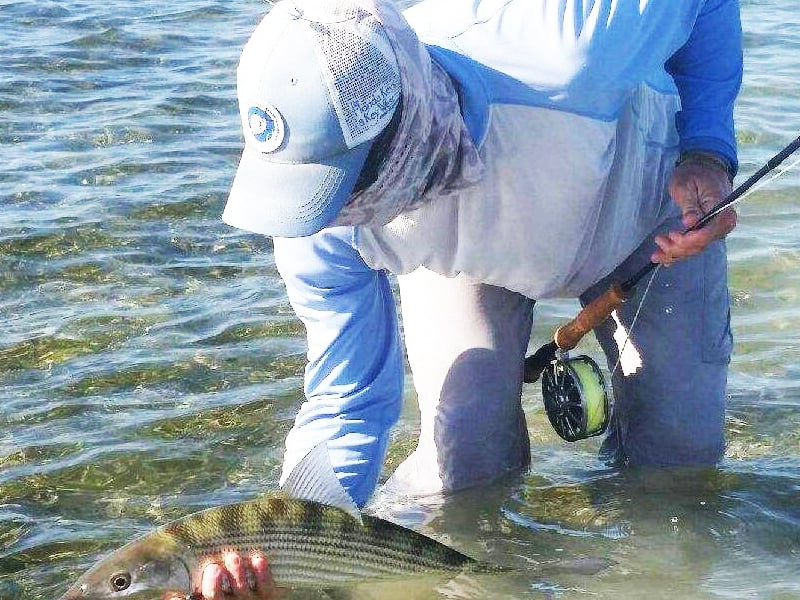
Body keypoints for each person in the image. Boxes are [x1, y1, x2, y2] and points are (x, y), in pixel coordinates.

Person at [200, 0, 743, 596]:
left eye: (341, 186)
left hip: (644, 199)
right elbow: (345, 404)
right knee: (461, 471)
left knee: (677, 467)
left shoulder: (574, 44)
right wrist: (288, 552)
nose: (326, 219)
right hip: (465, 250)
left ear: (396, 135)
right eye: (313, 191)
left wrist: (708, 150)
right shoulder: (312, 221)